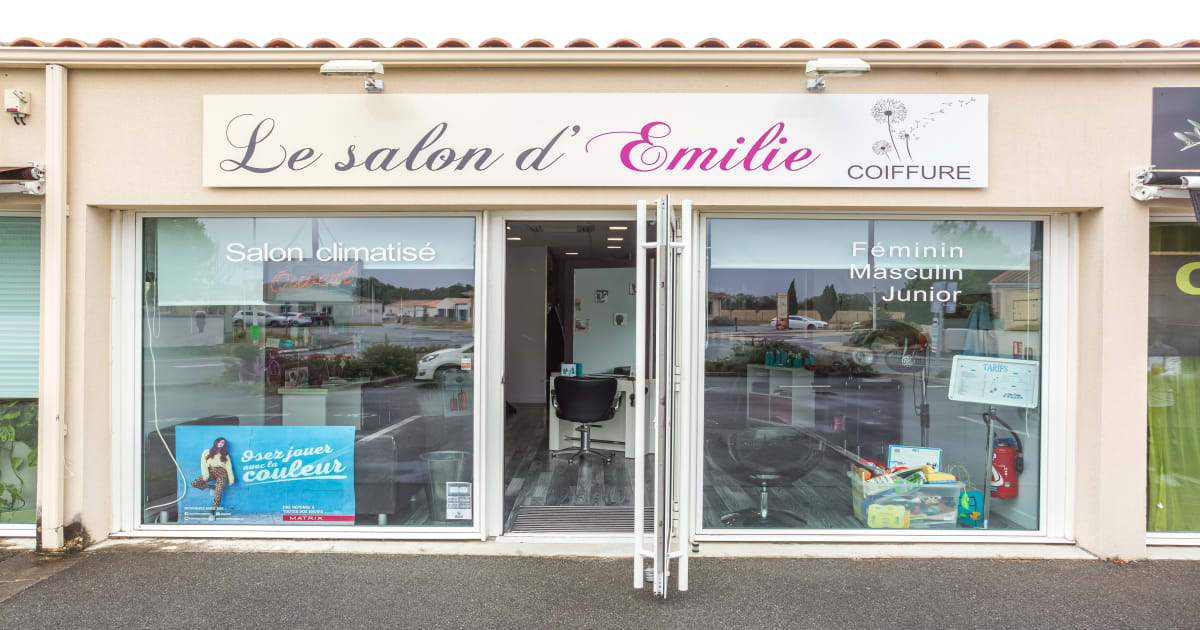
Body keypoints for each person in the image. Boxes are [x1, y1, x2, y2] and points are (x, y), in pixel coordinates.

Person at [190, 437, 235, 522]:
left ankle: (212, 513)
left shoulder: (225, 454)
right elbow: (203, 464)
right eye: (220, 442)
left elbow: (229, 467)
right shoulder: (206, 452)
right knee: (194, 483)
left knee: (218, 492)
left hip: (222, 473)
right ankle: (212, 487)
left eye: (223, 443)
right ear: (216, 442)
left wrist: (231, 479)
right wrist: (205, 474)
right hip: (211, 472)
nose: (221, 444)